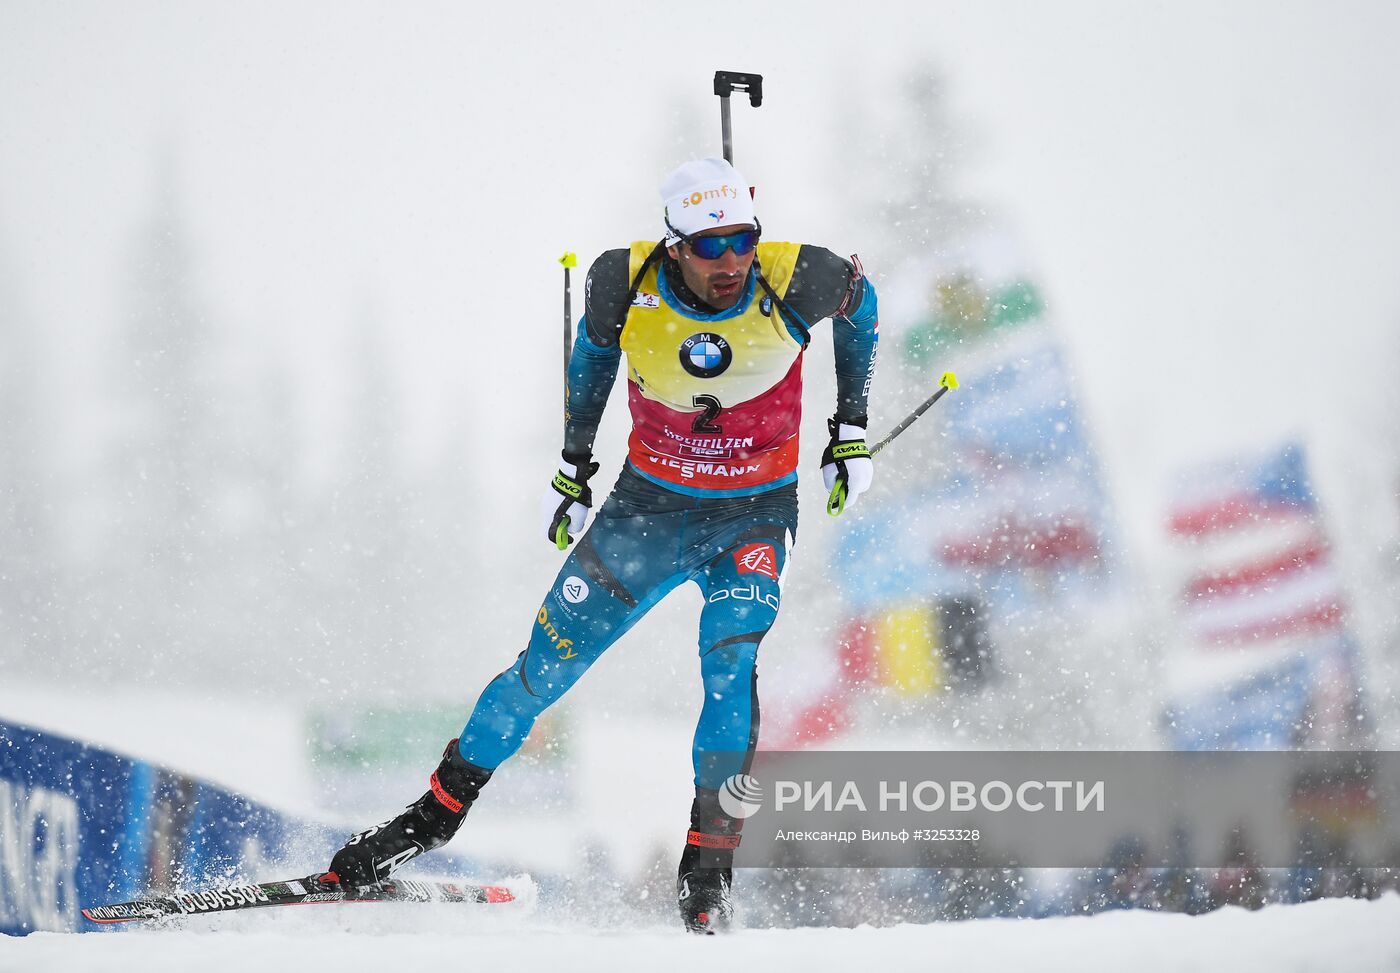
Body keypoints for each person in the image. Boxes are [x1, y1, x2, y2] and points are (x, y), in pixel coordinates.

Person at [326, 157, 880, 933]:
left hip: (750, 518)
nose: (730, 262)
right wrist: (574, 463)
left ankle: (709, 867)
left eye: (741, 240)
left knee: (731, 662)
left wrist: (848, 427)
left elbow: (864, 304)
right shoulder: (623, 281)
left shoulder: (798, 276)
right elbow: (592, 358)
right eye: (710, 245)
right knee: (539, 671)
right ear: (674, 244)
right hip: (644, 515)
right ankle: (429, 820)